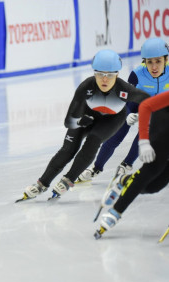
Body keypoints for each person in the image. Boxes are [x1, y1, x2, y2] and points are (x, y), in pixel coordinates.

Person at [18, 49, 150, 202]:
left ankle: (68, 179)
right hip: (86, 117)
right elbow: (68, 121)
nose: (104, 79)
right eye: (100, 74)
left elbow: (150, 101)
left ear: (117, 75)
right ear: (94, 74)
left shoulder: (125, 89)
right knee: (68, 149)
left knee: (93, 141)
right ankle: (42, 183)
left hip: (112, 120)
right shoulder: (86, 86)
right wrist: (78, 122)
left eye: (109, 75)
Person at [78, 38, 169, 183]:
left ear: (166, 59)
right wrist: (127, 114)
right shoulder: (137, 74)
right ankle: (96, 167)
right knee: (117, 133)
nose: (154, 67)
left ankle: (127, 164)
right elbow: (123, 99)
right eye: (149, 62)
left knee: (146, 133)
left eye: (158, 61)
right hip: (134, 104)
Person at [94, 90, 169, 239]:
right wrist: (144, 140)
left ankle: (123, 181)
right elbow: (146, 105)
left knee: (154, 187)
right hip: (163, 126)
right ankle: (116, 212)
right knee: (153, 168)